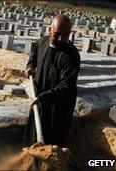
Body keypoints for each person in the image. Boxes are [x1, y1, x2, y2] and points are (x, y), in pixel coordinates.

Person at [23, 14, 80, 147]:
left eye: (66, 34)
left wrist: (44, 98)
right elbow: (34, 54)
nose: (61, 38)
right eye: (57, 34)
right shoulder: (42, 42)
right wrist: (30, 66)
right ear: (50, 30)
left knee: (51, 141)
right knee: (34, 137)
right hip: (40, 99)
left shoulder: (71, 55)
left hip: (58, 106)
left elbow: (66, 85)